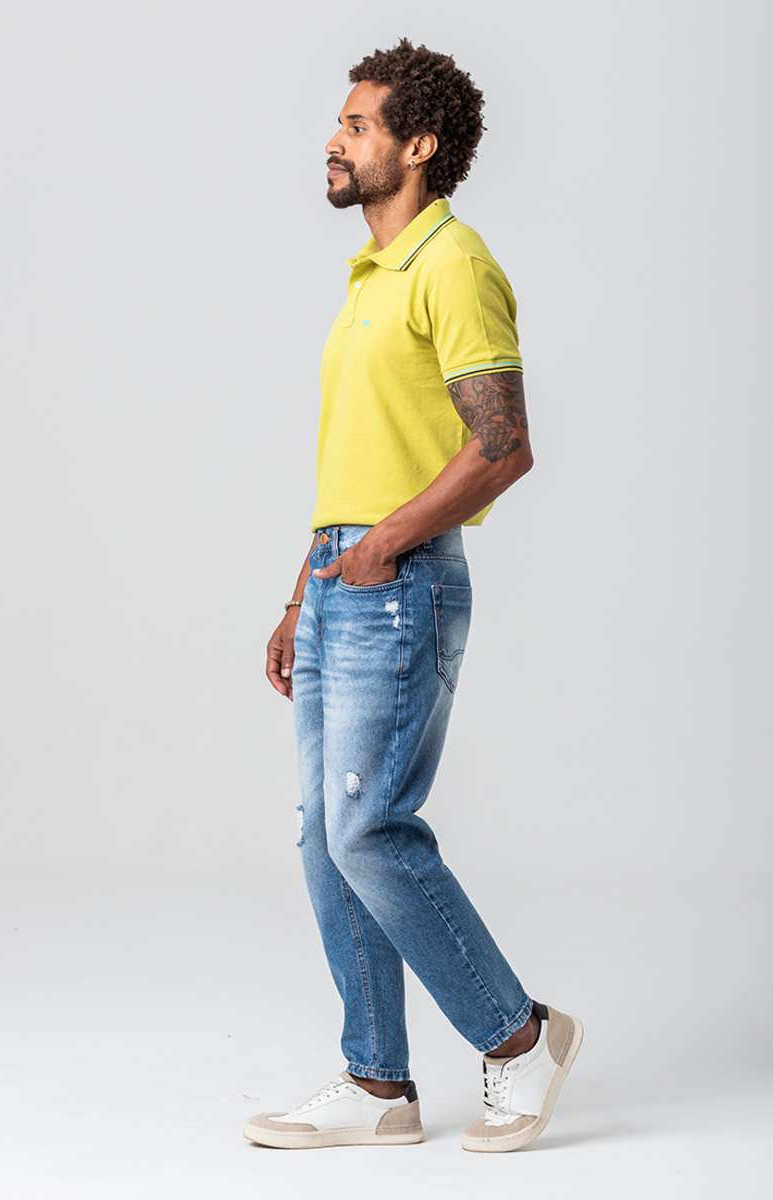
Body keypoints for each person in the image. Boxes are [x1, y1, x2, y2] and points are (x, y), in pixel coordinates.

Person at [248, 36, 582, 1154]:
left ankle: (519, 1039)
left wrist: (383, 547)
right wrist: (303, 593)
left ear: (419, 145)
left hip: (399, 584)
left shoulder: (452, 264)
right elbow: (360, 458)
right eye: (339, 124)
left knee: (367, 831)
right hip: (343, 580)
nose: (334, 141)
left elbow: (504, 446)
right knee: (325, 839)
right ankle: (378, 1082)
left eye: (357, 125)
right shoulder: (371, 277)